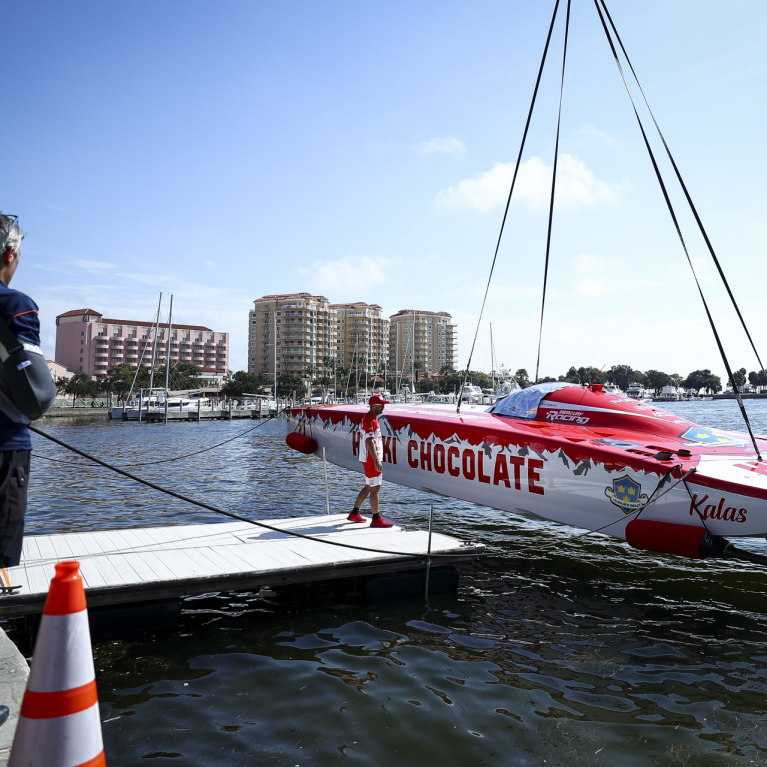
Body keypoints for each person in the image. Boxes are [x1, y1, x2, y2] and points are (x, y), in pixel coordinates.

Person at [0, 213, 42, 566]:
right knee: (3, 548)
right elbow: (35, 391)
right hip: (6, 442)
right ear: (9, 255)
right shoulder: (15, 306)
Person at [348, 394, 393, 528]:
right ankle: (376, 519)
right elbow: (369, 441)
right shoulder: (370, 420)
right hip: (371, 459)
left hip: (369, 458)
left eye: (383, 405)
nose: (383, 408)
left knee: (369, 486)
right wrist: (376, 460)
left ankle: (354, 513)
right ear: (373, 405)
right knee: (375, 488)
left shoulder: (372, 418)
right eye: (381, 406)